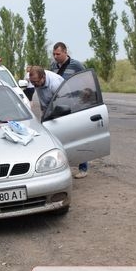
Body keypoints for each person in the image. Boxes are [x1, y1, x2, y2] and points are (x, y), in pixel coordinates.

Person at [50, 42, 89, 178]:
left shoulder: (76, 65)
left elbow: (86, 81)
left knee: (78, 136)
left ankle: (83, 167)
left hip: (75, 106)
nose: (55, 56)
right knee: (60, 136)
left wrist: (83, 100)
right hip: (59, 107)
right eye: (54, 54)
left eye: (58, 54)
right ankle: (62, 168)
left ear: (65, 52)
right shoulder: (53, 67)